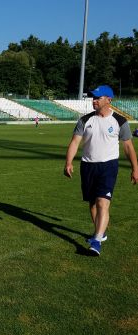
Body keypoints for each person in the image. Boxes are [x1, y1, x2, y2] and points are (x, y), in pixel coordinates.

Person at [64, 85, 138, 256]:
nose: (94, 100)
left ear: (108, 100)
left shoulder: (120, 121)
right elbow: (75, 142)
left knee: (102, 202)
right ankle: (101, 232)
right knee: (92, 204)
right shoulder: (84, 120)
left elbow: (128, 147)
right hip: (88, 166)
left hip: (108, 166)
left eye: (97, 98)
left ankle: (96, 240)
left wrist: (135, 168)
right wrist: (68, 162)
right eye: (93, 98)